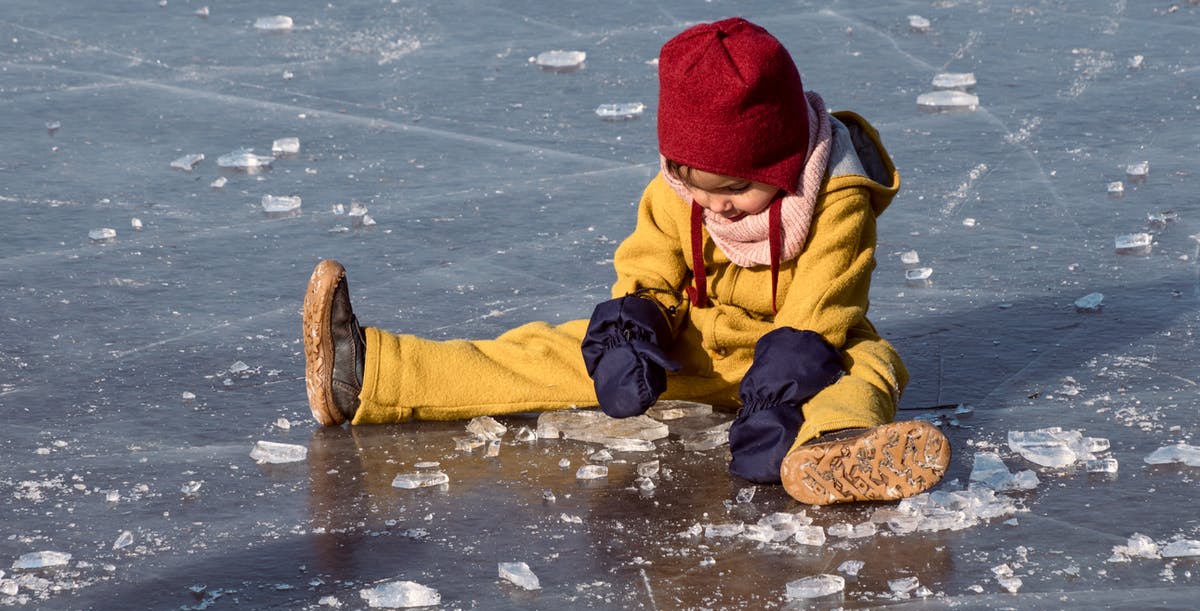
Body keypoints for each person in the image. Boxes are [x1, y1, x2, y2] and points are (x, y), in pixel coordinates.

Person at [302, 17, 950, 505]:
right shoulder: (680, 190)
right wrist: (630, 337)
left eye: (736, 191)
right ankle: (371, 374)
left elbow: (823, 309)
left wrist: (780, 397)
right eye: (697, 186)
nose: (716, 208)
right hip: (696, 344)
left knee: (870, 366)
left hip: (805, 355)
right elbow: (650, 266)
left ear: (782, 165)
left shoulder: (836, 197)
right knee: (545, 352)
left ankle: (827, 448)